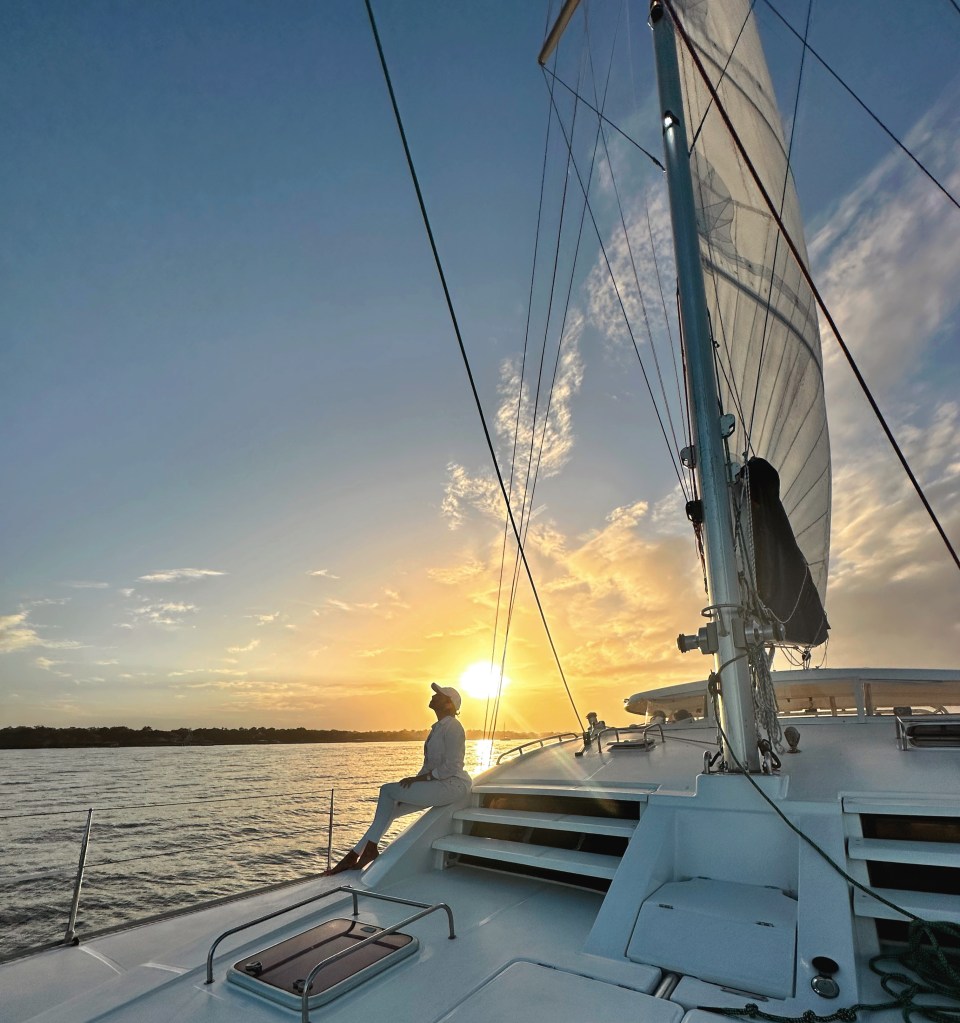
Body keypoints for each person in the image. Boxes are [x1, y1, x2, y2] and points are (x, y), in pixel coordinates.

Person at [323, 682, 471, 875]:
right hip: (438, 785)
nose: (434, 696)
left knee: (387, 790)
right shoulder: (437, 728)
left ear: (449, 704)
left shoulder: (454, 727)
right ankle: (356, 853)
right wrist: (413, 785)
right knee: (392, 809)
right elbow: (429, 766)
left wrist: (420, 781)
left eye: (439, 695)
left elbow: (453, 766)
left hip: (453, 786)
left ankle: (365, 851)